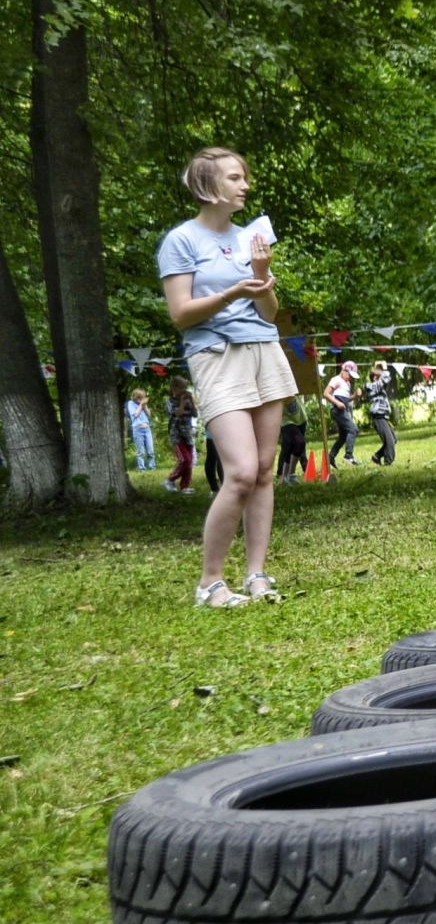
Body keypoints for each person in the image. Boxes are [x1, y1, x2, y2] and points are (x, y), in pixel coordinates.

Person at [157, 146, 297, 607]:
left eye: (244, 178)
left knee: (261, 472)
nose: (245, 186)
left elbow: (270, 313)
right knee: (237, 472)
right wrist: (234, 290)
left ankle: (256, 574)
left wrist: (259, 274)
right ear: (206, 185)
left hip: (264, 350)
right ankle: (210, 583)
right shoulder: (182, 241)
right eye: (235, 178)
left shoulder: (251, 237)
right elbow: (180, 314)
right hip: (216, 355)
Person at [163, 377, 198, 495]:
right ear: (174, 388)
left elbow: (195, 414)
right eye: (182, 387)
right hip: (176, 433)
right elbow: (177, 413)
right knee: (184, 459)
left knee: (189, 461)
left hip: (187, 432)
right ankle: (170, 480)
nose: (184, 390)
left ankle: (185, 486)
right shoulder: (169, 401)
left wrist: (191, 401)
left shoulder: (188, 400)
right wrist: (182, 401)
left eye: (185, 387)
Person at [324, 361, 360, 464]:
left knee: (343, 436)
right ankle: (348, 456)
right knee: (353, 429)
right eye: (349, 374)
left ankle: (331, 457)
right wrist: (337, 403)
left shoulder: (347, 383)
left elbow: (346, 400)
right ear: (343, 370)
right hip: (337, 410)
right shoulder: (336, 380)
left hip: (343, 410)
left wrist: (355, 396)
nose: (350, 378)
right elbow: (326, 394)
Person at [365, 362, 397, 465]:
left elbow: (385, 380)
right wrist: (384, 367)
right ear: (375, 378)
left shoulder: (378, 387)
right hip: (378, 418)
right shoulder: (372, 386)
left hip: (383, 417)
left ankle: (377, 456)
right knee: (389, 441)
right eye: (380, 376)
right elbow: (385, 379)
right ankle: (388, 461)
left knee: (393, 439)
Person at [277, 395, 307, 484]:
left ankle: (285, 477)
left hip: (301, 418)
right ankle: (290, 475)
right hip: (286, 421)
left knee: (291, 447)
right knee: (299, 443)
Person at [126, 388, 155, 471]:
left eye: (142, 397)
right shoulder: (130, 403)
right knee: (141, 452)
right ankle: (142, 468)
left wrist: (144, 405)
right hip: (138, 429)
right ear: (135, 397)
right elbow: (135, 414)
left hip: (147, 428)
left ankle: (152, 467)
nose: (141, 399)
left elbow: (149, 414)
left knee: (150, 450)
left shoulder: (143, 404)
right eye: (139, 397)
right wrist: (141, 405)